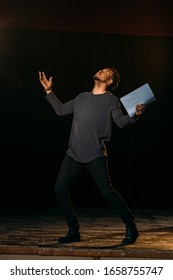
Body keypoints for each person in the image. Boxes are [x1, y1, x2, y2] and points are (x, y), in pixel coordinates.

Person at [39, 67, 145, 245]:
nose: (100, 71)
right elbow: (60, 110)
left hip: (95, 155)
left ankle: (131, 226)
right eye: (100, 69)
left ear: (109, 81)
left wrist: (136, 115)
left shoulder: (112, 100)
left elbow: (120, 122)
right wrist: (49, 91)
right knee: (59, 190)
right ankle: (73, 231)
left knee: (108, 192)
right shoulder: (82, 97)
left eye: (104, 71)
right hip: (73, 154)